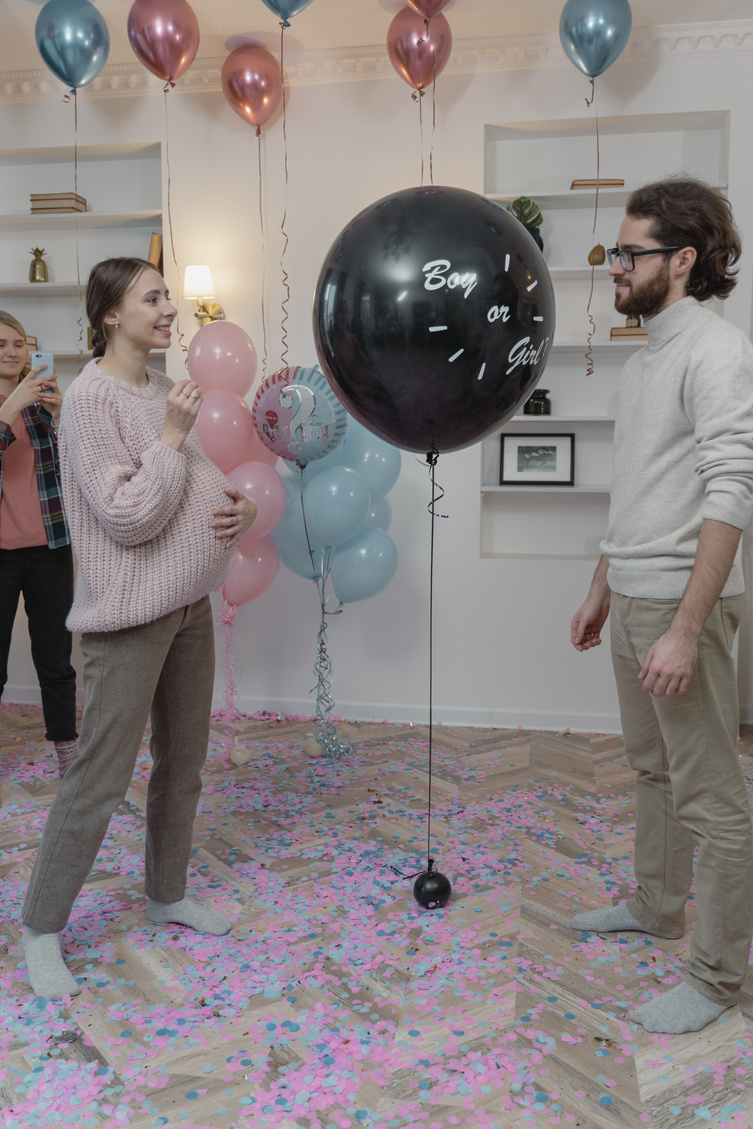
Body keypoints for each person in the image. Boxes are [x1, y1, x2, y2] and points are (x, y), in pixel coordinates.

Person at [21, 257, 257, 999]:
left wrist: (242, 508)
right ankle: (40, 928)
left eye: (168, 296)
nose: (169, 308)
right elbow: (128, 516)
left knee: (183, 762)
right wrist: (171, 434)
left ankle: (166, 891)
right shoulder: (91, 401)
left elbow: (197, 483)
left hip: (189, 607)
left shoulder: (158, 388)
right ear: (110, 314)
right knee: (99, 775)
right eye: (153, 297)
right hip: (128, 617)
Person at [570, 176, 753, 1035]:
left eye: (627, 254)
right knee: (651, 772)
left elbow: (730, 491)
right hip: (634, 598)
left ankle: (715, 979)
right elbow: (635, 491)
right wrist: (600, 588)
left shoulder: (714, 351)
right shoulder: (646, 360)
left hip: (685, 612)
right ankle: (655, 905)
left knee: (713, 800)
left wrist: (685, 626)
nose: (612, 267)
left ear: (680, 261)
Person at [0, 311, 78, 777]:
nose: (11, 352)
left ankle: (66, 749)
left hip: (49, 548)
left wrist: (59, 414)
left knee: (56, 658)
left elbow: (75, 465)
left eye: (18, 343)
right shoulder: (14, 407)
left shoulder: (40, 403)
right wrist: (9, 409)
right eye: (0, 344)